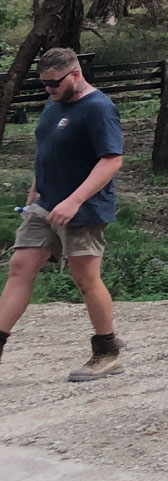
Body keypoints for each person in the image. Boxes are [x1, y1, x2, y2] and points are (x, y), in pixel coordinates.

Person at [0, 47, 126, 382]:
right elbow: (47, 150)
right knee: (20, 267)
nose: (48, 90)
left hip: (82, 210)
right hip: (44, 204)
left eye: (54, 83)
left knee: (85, 279)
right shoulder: (53, 102)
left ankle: (107, 351)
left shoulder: (99, 108)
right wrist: (34, 192)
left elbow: (112, 160)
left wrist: (73, 201)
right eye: (44, 84)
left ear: (74, 74)